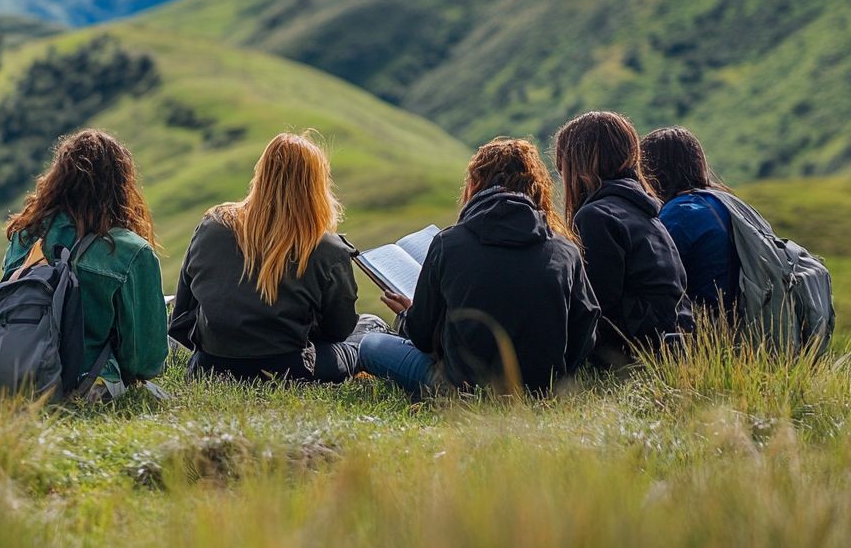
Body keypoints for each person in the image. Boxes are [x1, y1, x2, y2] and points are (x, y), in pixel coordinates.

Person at [359, 138, 601, 398]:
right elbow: (586, 326)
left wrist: (409, 314)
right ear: (536, 188)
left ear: (474, 184)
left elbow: (422, 337)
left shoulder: (448, 243)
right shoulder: (565, 251)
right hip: (540, 391)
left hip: (462, 390)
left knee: (370, 344)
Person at [169, 132, 386, 383]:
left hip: (209, 366)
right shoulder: (328, 249)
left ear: (261, 174)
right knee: (371, 326)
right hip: (290, 369)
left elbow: (182, 317)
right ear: (316, 186)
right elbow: (338, 330)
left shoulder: (212, 226)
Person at [0, 128, 168, 399]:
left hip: (11, 372)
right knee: (157, 397)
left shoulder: (26, 235)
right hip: (86, 383)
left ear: (57, 180)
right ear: (121, 187)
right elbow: (146, 361)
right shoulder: (131, 252)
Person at [554, 111, 693, 363]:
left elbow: (598, 303)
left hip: (636, 353)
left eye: (562, 169)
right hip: (673, 344)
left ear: (578, 165)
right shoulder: (641, 209)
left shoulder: (597, 216)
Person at [641, 126, 740, 316]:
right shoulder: (722, 202)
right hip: (744, 320)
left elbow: (657, 278)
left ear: (653, 171)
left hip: (706, 326)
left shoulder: (678, 214)